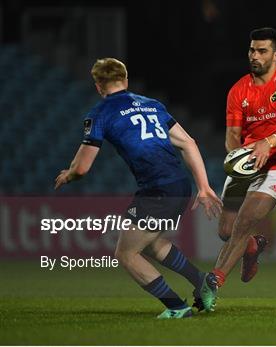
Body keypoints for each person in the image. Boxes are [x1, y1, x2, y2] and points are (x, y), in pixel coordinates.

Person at [54, 58, 223, 319]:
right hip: (179, 184)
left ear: (98, 86)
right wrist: (203, 186)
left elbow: (83, 168)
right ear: (126, 80)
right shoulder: (153, 105)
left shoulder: (100, 114)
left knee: (126, 253)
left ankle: (177, 307)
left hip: (157, 188)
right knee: (152, 244)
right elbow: (188, 142)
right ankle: (201, 281)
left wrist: (68, 175)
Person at [205, 27, 276, 297]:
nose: (255, 55)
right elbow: (232, 137)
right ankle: (252, 247)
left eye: (262, 51)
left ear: (275, 54)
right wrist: (240, 159)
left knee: (245, 220)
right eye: (252, 50)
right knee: (226, 231)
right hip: (249, 163)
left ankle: (213, 282)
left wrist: (269, 142)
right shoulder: (238, 90)